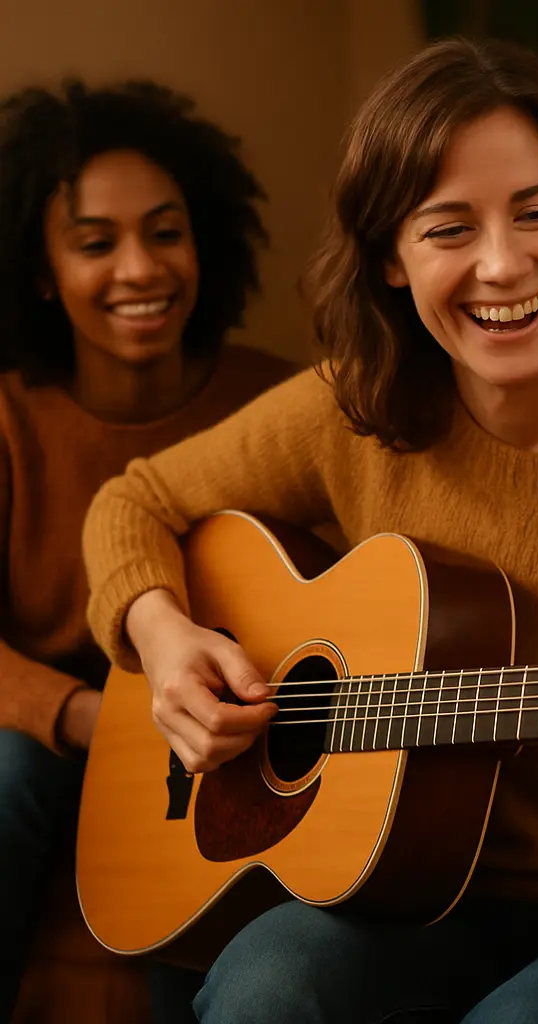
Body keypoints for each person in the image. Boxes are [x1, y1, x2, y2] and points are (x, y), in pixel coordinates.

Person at [82, 38, 538, 1024]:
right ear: (390, 256)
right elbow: (131, 501)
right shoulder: (356, 407)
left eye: (537, 212)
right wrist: (166, 640)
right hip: (423, 888)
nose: (502, 265)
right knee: (268, 989)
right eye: (447, 228)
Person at [0, 79, 295, 1020]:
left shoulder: (277, 405)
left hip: (223, 741)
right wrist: (97, 718)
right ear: (43, 270)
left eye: (166, 233)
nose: (141, 268)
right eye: (96, 243)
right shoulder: (9, 418)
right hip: (59, 738)